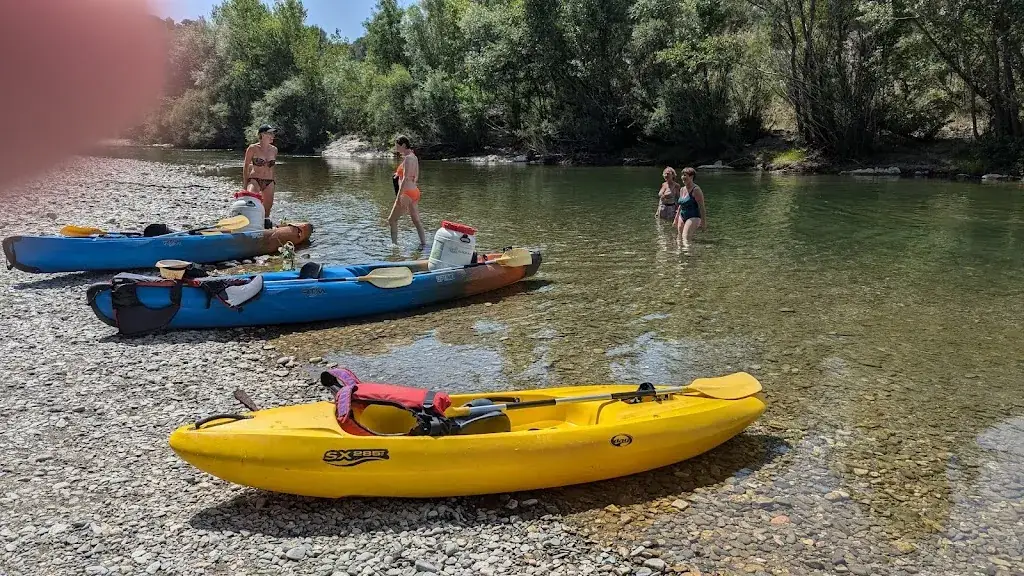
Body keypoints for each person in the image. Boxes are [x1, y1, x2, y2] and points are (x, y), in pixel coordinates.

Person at [388, 135, 427, 248]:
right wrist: (397, 174)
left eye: (398, 147)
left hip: (406, 193)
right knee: (416, 220)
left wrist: (399, 196)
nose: (396, 149)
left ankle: (394, 247)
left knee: (392, 220)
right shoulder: (413, 157)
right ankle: (424, 244)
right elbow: (416, 176)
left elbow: (405, 178)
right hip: (415, 191)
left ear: (404, 145)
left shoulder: (407, 159)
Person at [242, 125, 279, 221]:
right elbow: (246, 166)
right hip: (255, 179)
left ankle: (265, 226)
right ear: (262, 134)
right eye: (270, 133)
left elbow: (273, 166)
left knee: (267, 209)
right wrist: (245, 184)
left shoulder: (274, 149)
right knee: (251, 203)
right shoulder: (252, 148)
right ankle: (249, 222)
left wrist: (274, 180)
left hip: (269, 181)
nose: (272, 136)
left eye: (273, 133)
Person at [675, 167, 707, 243]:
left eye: (685, 175)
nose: (683, 177)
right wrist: (676, 218)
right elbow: (681, 205)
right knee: (679, 237)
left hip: (693, 216)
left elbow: (702, 207)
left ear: (691, 176)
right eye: (682, 175)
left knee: (685, 237)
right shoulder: (682, 189)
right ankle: (678, 254)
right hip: (682, 215)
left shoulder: (696, 190)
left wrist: (703, 222)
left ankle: (688, 254)